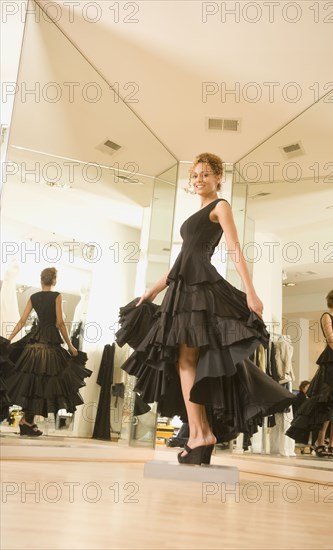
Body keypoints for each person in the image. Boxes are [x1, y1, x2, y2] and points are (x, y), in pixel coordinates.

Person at [117, 153, 295, 465]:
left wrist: (251, 292)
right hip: (183, 288)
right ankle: (200, 432)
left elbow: (234, 249)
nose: (199, 180)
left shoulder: (220, 206)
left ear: (217, 178)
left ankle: (201, 434)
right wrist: (153, 289)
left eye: (205, 175)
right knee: (183, 361)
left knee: (186, 360)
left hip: (199, 290)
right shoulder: (199, 210)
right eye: (195, 175)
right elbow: (180, 261)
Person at [1, 267, 91, 436]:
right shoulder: (56, 296)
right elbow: (60, 323)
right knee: (43, 384)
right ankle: (27, 421)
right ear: (54, 280)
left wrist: (9, 339)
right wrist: (71, 346)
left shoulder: (33, 297)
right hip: (49, 344)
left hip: (34, 344)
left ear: (41, 280)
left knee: (32, 382)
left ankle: (27, 421)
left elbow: (22, 320)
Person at [286, 288, 333, 458]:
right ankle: (320, 440)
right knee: (329, 402)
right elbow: (331, 341)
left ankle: (332, 443)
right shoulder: (326, 316)